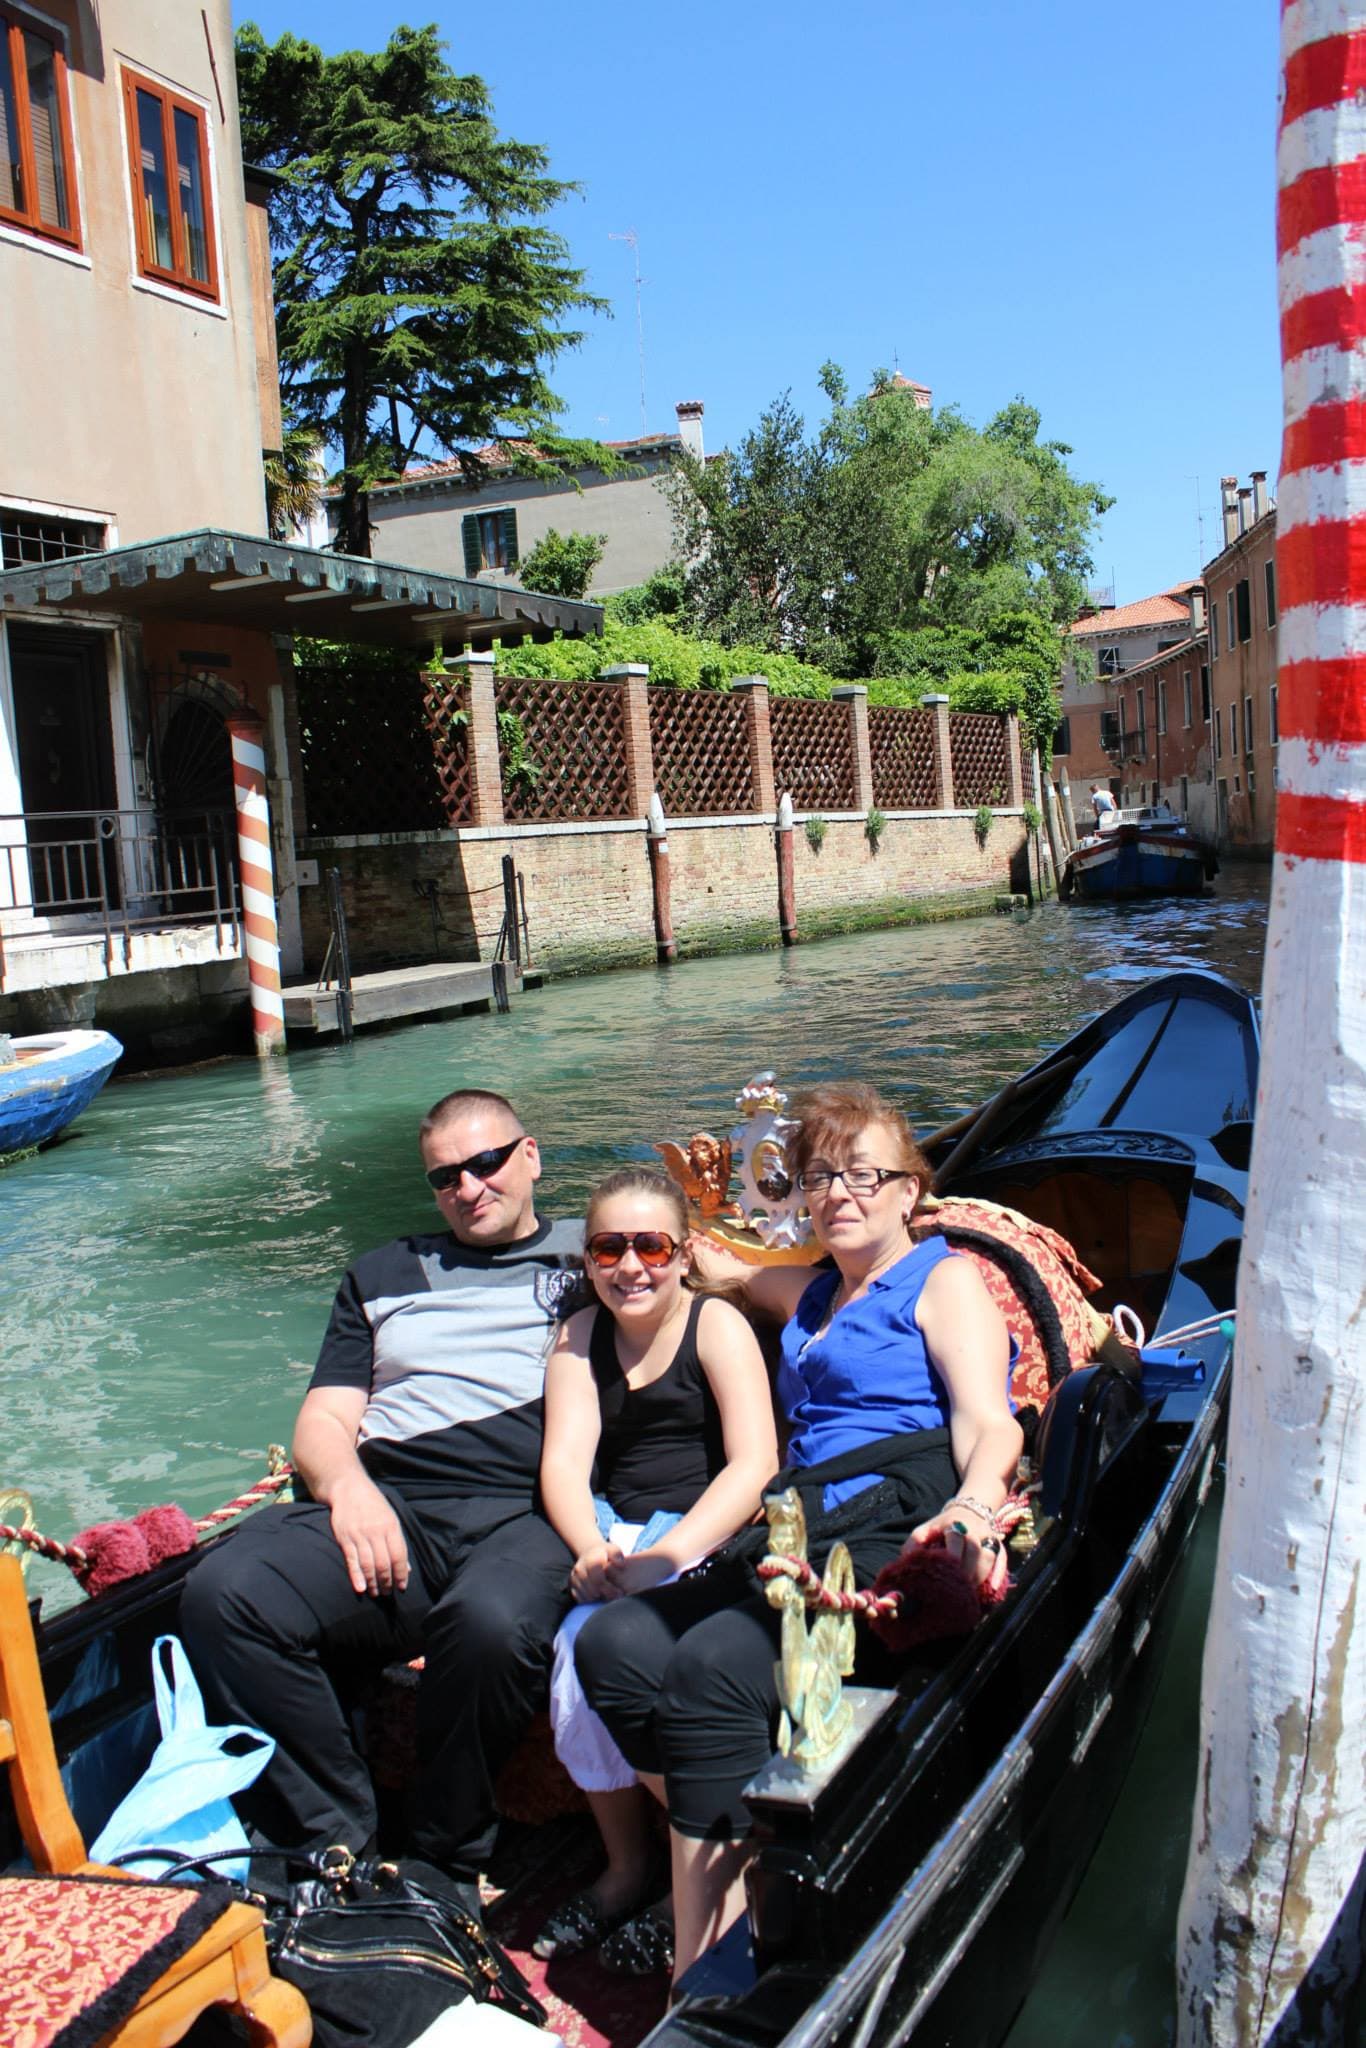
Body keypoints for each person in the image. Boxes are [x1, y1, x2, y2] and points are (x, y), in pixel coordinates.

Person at [574, 1081, 1022, 1992]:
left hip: (894, 1515)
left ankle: (702, 1969)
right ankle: (740, 1844)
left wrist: (975, 1508)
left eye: (866, 1174)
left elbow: (990, 1419)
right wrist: (662, 1254)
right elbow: (728, 1268)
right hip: (796, 1520)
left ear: (911, 1191)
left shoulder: (943, 1280)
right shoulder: (812, 1291)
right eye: (821, 1177)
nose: (840, 1194)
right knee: (615, 1645)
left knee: (706, 1668)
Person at [179, 1088, 583, 1893]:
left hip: (526, 1509)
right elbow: (324, 1421)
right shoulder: (381, 1272)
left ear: (530, 1157)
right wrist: (350, 1490)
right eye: (446, 1178)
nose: (468, 1188)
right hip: (391, 1510)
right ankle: (337, 1843)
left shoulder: (597, 1257)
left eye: (487, 1164)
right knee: (225, 1592)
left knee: (491, 1623)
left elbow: (709, 1286)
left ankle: (444, 1856)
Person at [532, 1166, 777, 1964]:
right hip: (615, 1537)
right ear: (589, 1256)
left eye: (650, 1246)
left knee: (653, 1657)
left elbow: (754, 1464)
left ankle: (699, 1871)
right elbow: (564, 1467)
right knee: (575, 1649)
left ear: (681, 1255)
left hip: (709, 1534)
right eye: (609, 1247)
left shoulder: (716, 1327)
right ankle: (629, 1866)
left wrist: (668, 1556)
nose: (629, 1266)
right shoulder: (577, 1337)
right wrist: (593, 1551)